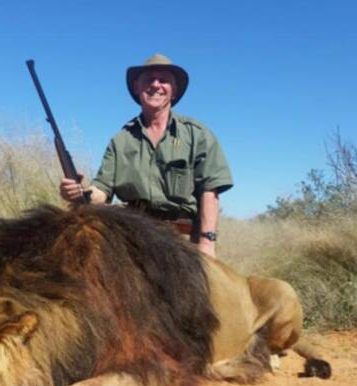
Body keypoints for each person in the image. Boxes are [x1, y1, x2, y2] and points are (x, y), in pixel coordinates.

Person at [59, 53, 233, 257]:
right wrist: (82, 192)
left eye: (163, 80)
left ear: (174, 91)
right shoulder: (120, 140)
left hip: (183, 242)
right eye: (149, 79)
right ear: (137, 88)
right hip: (132, 239)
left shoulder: (197, 134)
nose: (156, 84)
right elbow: (102, 192)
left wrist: (207, 243)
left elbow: (210, 191)